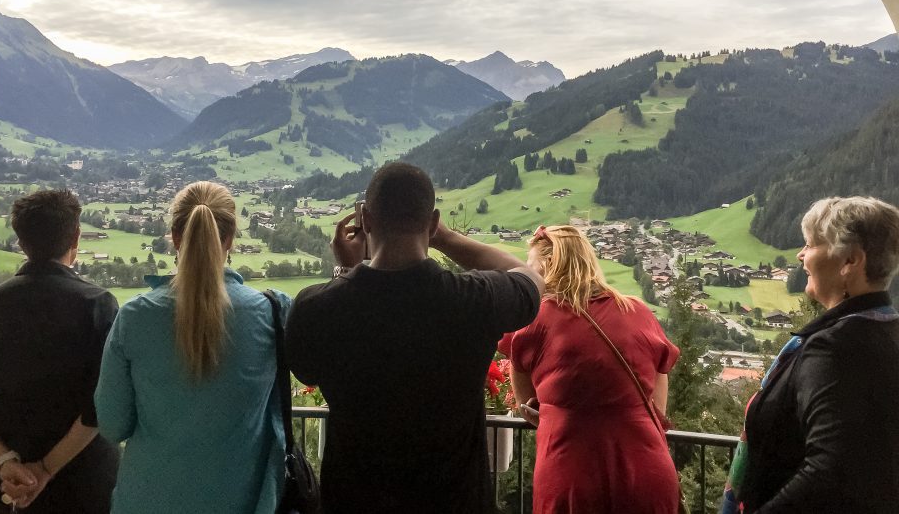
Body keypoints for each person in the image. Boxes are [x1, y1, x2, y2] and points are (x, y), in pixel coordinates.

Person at [285, 162, 543, 514]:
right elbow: (528, 277)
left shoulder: (316, 308)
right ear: (432, 221)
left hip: (355, 503)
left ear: (365, 218)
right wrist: (445, 237)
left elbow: (307, 370)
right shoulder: (474, 300)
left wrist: (345, 272)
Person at [95, 181, 290, 514]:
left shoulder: (135, 318)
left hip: (147, 501)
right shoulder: (273, 313)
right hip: (243, 502)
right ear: (230, 240)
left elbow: (113, 425)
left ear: (174, 237)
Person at [721, 196, 899, 513]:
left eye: (811, 244)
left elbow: (832, 469)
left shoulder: (834, 348)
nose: (801, 255)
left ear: (850, 262)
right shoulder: (886, 330)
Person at [0, 188, 119, 513]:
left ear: (21, 242)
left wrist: (5, 464)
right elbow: (101, 407)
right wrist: (46, 469)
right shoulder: (98, 306)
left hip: (5, 489)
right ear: (76, 237)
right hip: (83, 483)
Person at [504, 224, 680, 514]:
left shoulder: (536, 317)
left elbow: (527, 404)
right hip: (648, 469)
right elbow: (660, 382)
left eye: (533, 267)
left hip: (572, 469)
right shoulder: (636, 310)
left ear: (549, 265)